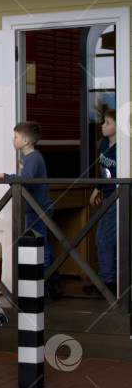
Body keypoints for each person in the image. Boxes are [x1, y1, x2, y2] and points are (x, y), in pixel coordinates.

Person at [0, 121, 61, 298]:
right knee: (45, 245)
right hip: (39, 208)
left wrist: (4, 176)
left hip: (37, 209)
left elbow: (26, 180)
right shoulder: (31, 158)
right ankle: (53, 281)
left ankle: (45, 288)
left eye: (16, 136)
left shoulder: (33, 158)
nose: (13, 139)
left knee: (40, 247)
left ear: (25, 141)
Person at [84, 109, 117, 296]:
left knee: (105, 238)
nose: (103, 126)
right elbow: (103, 170)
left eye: (108, 123)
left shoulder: (121, 148)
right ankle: (108, 279)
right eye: (104, 122)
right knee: (103, 238)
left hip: (117, 197)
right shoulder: (104, 144)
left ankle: (107, 281)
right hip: (107, 195)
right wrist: (98, 187)